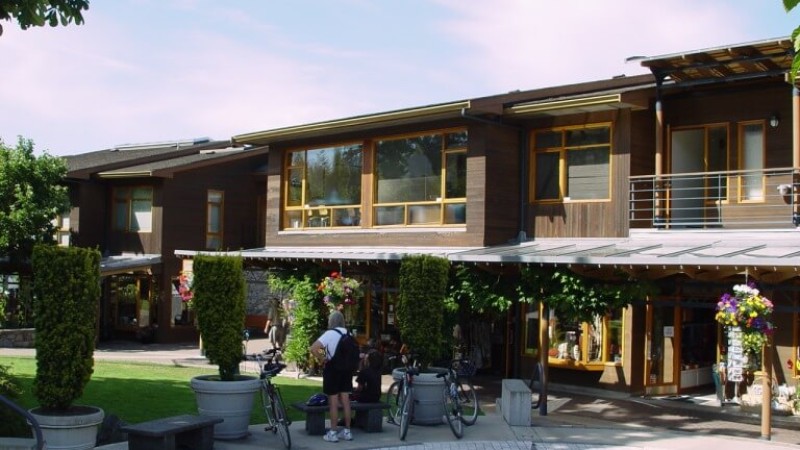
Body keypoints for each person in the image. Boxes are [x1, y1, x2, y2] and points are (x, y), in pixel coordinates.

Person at [310, 310, 353, 443]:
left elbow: (314, 348)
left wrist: (323, 358)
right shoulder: (348, 333)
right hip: (347, 370)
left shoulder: (329, 334)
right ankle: (347, 431)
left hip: (332, 370)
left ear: (331, 321)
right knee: (346, 400)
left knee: (333, 401)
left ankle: (333, 432)